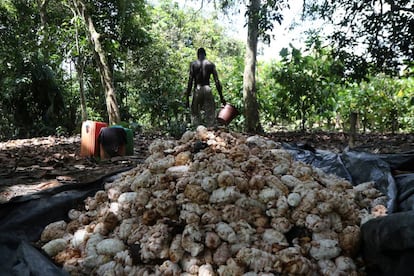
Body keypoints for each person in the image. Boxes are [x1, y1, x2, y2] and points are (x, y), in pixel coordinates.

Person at [185, 47, 226, 127]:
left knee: (195, 111)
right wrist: (222, 97)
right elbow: (217, 81)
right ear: (205, 54)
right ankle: (210, 130)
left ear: (197, 55)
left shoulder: (193, 64)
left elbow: (190, 81)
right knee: (210, 112)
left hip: (197, 88)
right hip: (207, 88)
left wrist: (187, 97)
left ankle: (197, 130)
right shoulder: (210, 64)